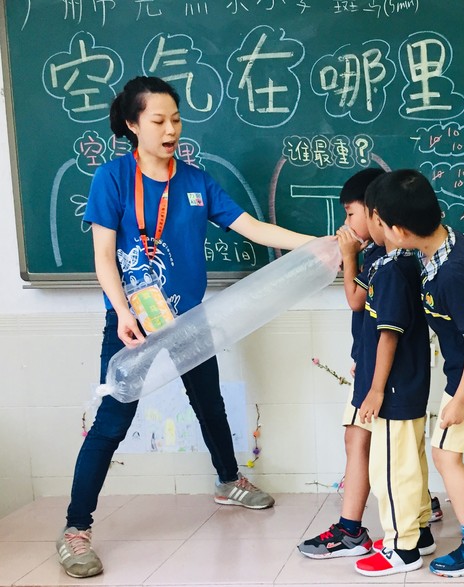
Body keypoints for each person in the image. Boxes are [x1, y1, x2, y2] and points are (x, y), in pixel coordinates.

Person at [57, 76, 314, 579]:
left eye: (175, 119)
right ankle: (75, 529)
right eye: (158, 120)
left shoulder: (196, 181)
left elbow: (252, 228)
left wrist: (320, 242)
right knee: (112, 422)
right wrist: (122, 312)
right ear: (133, 124)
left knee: (209, 401)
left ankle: (228, 481)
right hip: (132, 321)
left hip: (189, 319)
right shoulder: (112, 178)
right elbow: (103, 256)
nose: (171, 129)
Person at [367, 169, 464, 578]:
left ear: (400, 231)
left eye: (380, 223)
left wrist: (459, 400)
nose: (378, 231)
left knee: (444, 456)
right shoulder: (442, 242)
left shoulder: (451, 273)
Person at [297, 168, 385, 559]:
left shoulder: (381, 257)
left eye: (350, 214)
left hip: (378, 371)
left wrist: (349, 258)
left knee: (361, 438)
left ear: (375, 211)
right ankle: (417, 507)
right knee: (366, 439)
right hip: (369, 363)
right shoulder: (379, 254)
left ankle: (350, 530)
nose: (345, 224)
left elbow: (356, 300)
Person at [352, 173, 434, 576]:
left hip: (395, 389)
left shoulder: (390, 271)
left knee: (390, 469)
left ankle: (402, 548)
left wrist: (376, 390)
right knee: (409, 461)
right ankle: (420, 530)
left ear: (380, 220)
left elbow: (389, 335)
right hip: (408, 384)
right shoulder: (399, 262)